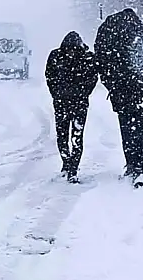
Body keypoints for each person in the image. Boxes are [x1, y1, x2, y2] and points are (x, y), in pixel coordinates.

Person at [94, 8, 143, 187]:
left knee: (127, 130)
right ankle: (138, 166)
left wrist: (112, 85)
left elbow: (103, 64)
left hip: (123, 95)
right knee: (140, 130)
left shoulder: (112, 37)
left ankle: (130, 163)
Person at [45, 31, 98, 183]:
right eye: (68, 49)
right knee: (62, 136)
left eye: (73, 49)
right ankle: (66, 163)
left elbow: (93, 78)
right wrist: (56, 94)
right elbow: (49, 76)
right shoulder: (56, 56)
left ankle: (73, 168)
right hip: (62, 103)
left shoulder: (87, 58)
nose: (71, 53)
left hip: (78, 104)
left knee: (76, 137)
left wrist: (83, 93)